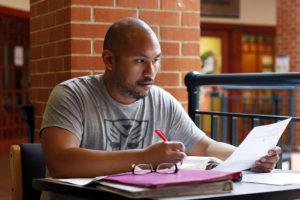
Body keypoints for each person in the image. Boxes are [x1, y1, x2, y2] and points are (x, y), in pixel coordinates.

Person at [40, 17, 281, 199]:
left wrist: (250, 159)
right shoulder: (72, 95)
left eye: (155, 60)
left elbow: (205, 145)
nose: (150, 72)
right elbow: (60, 162)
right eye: (139, 61)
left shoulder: (160, 100)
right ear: (109, 60)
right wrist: (145, 158)